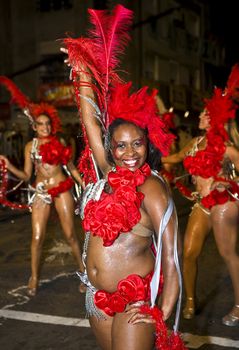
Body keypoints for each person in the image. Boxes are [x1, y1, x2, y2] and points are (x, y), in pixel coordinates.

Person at [62, 5, 186, 350]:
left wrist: (162, 311)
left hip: (134, 304)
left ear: (148, 145)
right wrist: (82, 71)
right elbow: (90, 123)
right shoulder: (107, 176)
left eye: (137, 144)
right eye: (120, 146)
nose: (130, 153)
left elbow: (173, 259)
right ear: (111, 149)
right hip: (96, 298)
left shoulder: (154, 190)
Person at [162, 82, 239, 326]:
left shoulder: (229, 149)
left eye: (206, 114)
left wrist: (228, 184)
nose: (201, 116)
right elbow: (173, 158)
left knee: (228, 254)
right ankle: (191, 301)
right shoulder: (195, 143)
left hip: (223, 204)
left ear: (216, 119)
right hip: (202, 204)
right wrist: (142, 155)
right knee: (188, 253)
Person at [0, 77, 85, 297]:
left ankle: (83, 272)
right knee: (37, 237)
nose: (45, 127)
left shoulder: (61, 143)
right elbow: (27, 175)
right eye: (41, 124)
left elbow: (70, 167)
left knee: (70, 235)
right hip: (40, 193)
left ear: (52, 125)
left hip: (61, 188)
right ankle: (34, 277)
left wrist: (82, 182)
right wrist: (9, 166)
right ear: (35, 126)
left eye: (48, 124)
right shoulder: (31, 145)